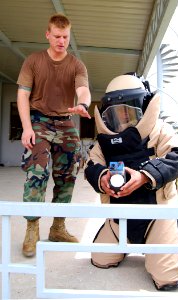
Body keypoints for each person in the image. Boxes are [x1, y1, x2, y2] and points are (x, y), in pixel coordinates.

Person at [84, 74, 178, 291]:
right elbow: (90, 166)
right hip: (119, 219)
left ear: (144, 105)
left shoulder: (161, 130)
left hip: (158, 217)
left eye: (130, 111)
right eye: (115, 113)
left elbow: (175, 159)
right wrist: (102, 177)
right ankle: (128, 243)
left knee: (168, 278)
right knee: (100, 259)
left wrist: (144, 176)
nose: (123, 119)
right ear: (106, 114)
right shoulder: (103, 143)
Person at [17, 13, 91, 257]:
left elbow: (83, 89)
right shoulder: (33, 61)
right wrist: (27, 128)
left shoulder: (76, 64)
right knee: (37, 170)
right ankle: (32, 228)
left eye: (66, 37)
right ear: (47, 35)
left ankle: (58, 227)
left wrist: (83, 104)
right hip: (38, 120)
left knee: (69, 172)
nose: (61, 41)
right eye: (57, 36)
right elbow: (22, 96)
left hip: (64, 122)